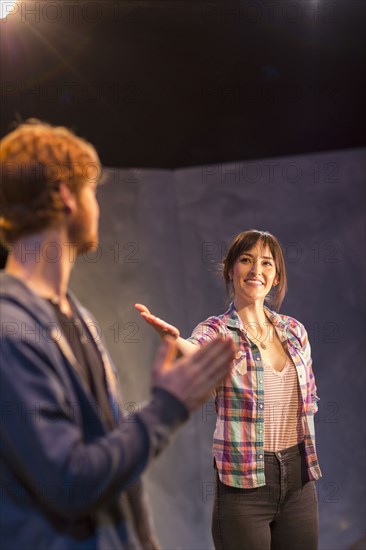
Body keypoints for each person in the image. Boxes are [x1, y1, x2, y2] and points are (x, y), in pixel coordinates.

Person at [0, 120, 236, 550]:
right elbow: (70, 481)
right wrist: (168, 407)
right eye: (92, 191)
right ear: (66, 196)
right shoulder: (8, 330)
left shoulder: (75, 317)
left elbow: (105, 462)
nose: (99, 206)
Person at [136, 229, 322, 550]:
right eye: (246, 260)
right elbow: (197, 350)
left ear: (276, 277)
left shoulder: (295, 332)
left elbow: (309, 402)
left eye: (266, 263)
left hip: (299, 480)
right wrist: (175, 341)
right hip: (244, 483)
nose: (256, 270)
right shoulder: (217, 330)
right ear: (230, 270)